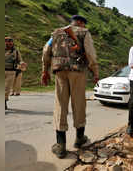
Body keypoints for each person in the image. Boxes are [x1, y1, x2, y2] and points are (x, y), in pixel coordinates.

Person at [41, 15, 99, 159]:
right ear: (80, 23)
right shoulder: (84, 32)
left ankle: (60, 147)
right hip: (77, 71)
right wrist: (95, 72)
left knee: (61, 105)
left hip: (60, 71)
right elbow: (91, 54)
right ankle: (79, 139)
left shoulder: (55, 33)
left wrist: (44, 71)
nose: (84, 27)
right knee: (79, 104)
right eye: (83, 24)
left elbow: (46, 51)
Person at [5, 36, 23, 110]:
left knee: (7, 88)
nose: (9, 43)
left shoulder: (16, 51)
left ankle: (4, 101)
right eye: (8, 42)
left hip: (11, 72)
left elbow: (20, 60)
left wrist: (22, 63)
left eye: (11, 42)